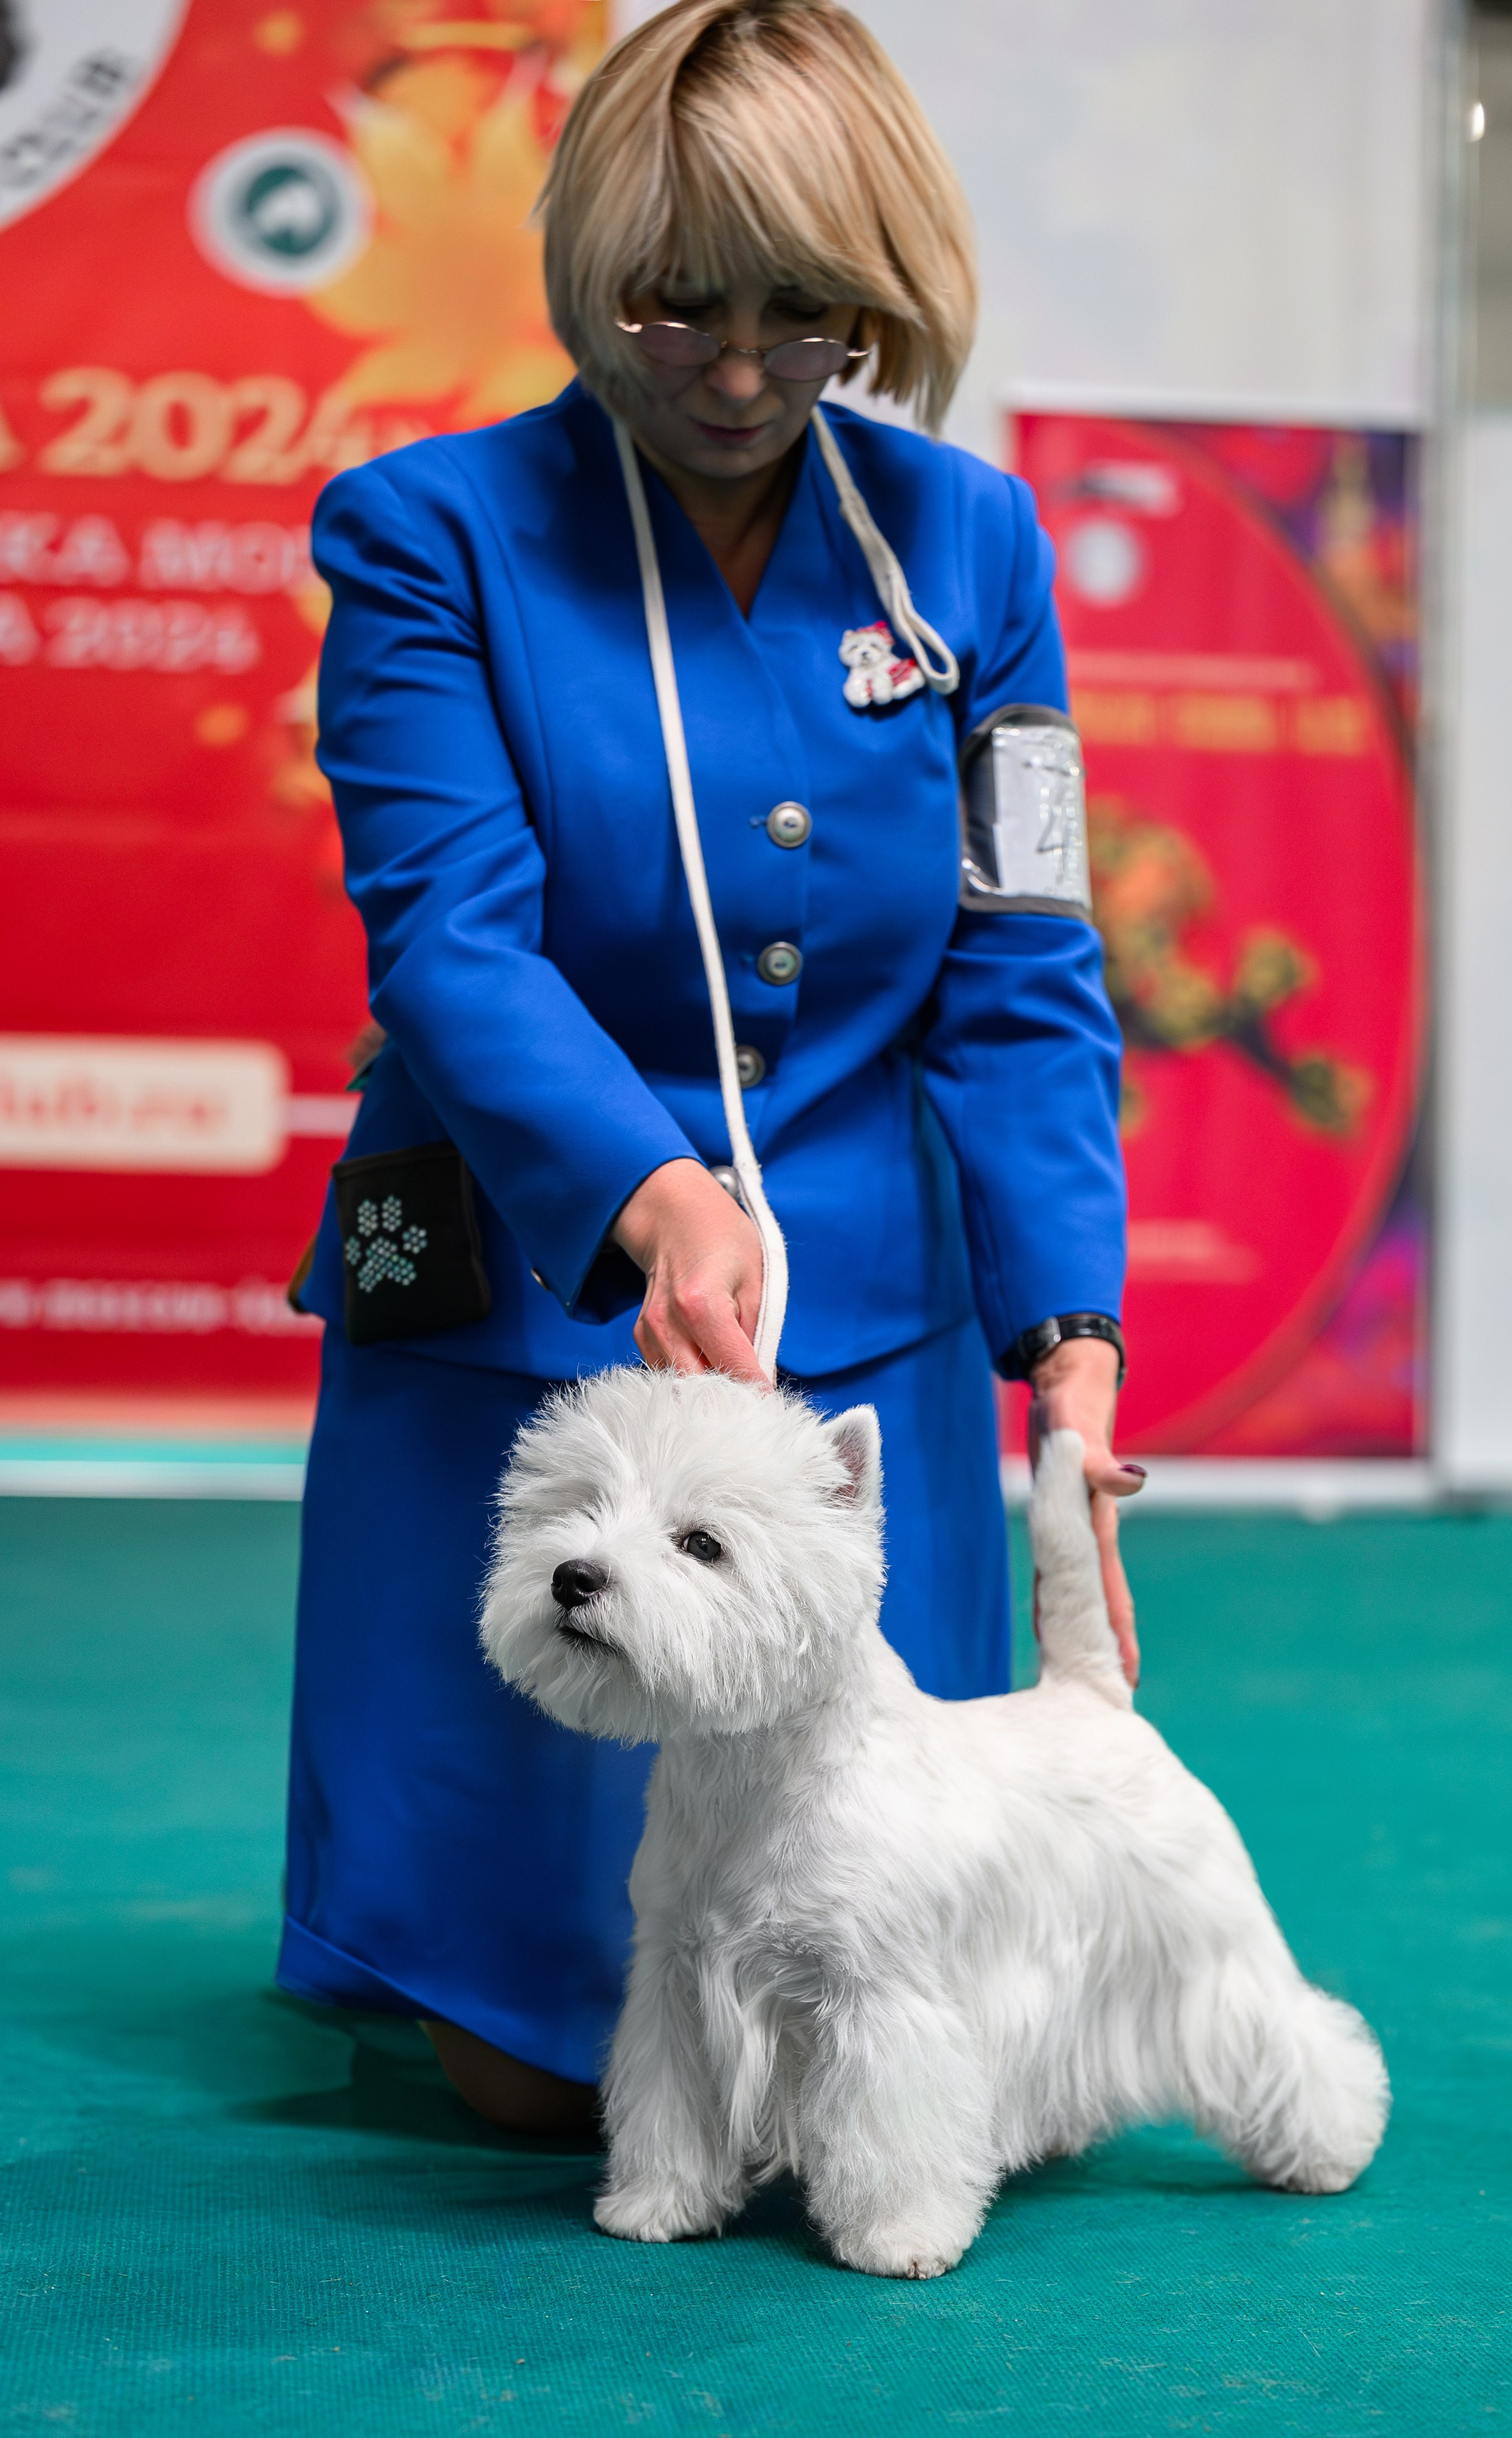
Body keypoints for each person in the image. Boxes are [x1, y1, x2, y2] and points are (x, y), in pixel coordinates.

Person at [279, 0, 1133, 2141]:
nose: (739, 376)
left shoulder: (973, 547)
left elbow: (1022, 965)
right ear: (584, 270)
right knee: (539, 2072)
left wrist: (1074, 1351)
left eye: (803, 317)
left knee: (878, 1998)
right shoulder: (425, 537)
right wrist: (651, 1195)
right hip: (539, 1309)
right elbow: (449, 945)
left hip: (855, 1365)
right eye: (676, 311)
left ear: (882, 299)